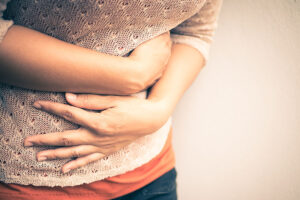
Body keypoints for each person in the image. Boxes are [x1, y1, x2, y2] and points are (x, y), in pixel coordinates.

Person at [0, 0, 223, 199]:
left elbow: (194, 32)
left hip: (151, 175)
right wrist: (133, 75)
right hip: (27, 184)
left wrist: (158, 110)